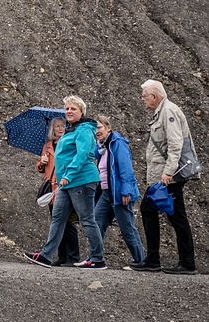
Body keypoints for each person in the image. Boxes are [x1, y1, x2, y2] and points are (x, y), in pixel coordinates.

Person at [24, 95, 105, 269]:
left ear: (81, 111)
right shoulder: (71, 130)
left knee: (87, 219)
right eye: (67, 108)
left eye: (73, 108)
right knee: (58, 218)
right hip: (66, 183)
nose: (68, 111)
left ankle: (98, 258)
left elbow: (82, 155)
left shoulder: (84, 129)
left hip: (81, 180)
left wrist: (69, 174)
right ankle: (46, 255)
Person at [133, 79, 197, 274]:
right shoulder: (162, 111)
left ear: (154, 96)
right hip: (164, 175)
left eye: (144, 96)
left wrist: (168, 173)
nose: (142, 99)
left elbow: (175, 144)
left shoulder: (168, 111)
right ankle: (158, 260)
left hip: (170, 176)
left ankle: (183, 263)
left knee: (173, 215)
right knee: (162, 213)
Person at [93, 116, 145, 265]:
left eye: (99, 127)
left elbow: (125, 168)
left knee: (127, 228)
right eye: (94, 129)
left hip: (118, 192)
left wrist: (126, 190)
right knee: (97, 222)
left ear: (108, 128)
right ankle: (96, 258)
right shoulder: (101, 147)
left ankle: (140, 261)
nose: (97, 131)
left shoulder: (118, 144)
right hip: (105, 193)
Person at [36, 117, 80, 266]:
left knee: (67, 223)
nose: (60, 129)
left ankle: (73, 257)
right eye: (57, 126)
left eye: (63, 126)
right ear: (52, 129)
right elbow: (41, 168)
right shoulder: (47, 146)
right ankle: (62, 257)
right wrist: (41, 163)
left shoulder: (69, 142)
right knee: (57, 223)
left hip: (64, 186)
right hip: (51, 188)